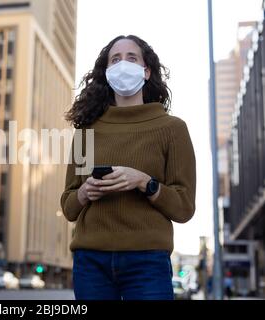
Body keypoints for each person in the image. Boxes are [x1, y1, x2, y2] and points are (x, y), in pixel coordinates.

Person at [61, 35, 196, 300]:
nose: (123, 64)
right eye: (115, 59)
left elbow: (184, 207)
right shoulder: (86, 131)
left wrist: (144, 182)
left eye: (131, 58)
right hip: (91, 263)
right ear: (107, 72)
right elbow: (68, 206)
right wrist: (85, 192)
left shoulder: (173, 129)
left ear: (146, 71)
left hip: (147, 263)